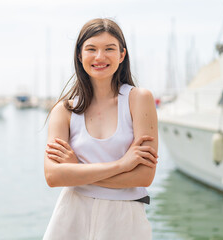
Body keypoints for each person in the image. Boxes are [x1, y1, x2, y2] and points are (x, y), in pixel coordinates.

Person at [43, 18, 158, 240]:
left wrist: (76, 170)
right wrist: (121, 165)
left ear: (122, 55)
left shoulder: (139, 99)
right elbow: (53, 176)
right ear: (79, 55)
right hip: (71, 217)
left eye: (109, 49)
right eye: (91, 49)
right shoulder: (64, 109)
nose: (99, 57)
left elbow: (144, 176)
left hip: (125, 220)